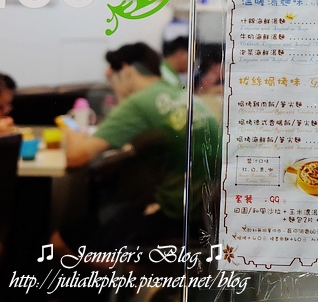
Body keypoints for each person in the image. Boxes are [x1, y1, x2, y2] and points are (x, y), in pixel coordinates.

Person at [55, 43, 221, 255]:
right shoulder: (180, 94)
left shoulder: (140, 102)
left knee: (58, 242)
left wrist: (72, 133)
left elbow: (76, 157)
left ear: (127, 71)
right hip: (204, 213)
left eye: (112, 79)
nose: (113, 88)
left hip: (173, 213)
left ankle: (135, 270)